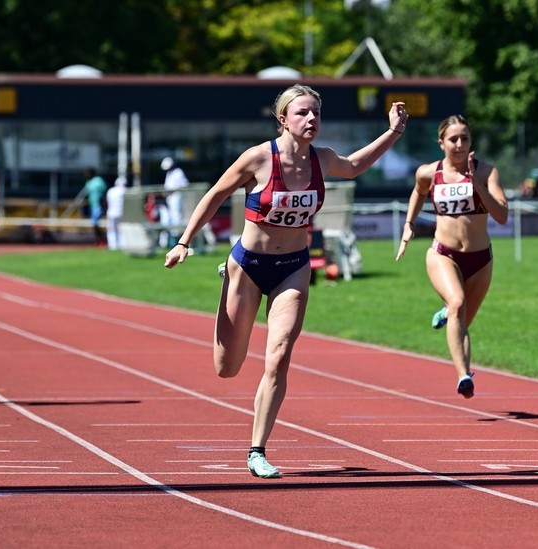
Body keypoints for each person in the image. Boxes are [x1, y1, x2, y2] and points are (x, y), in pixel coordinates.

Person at [165, 84, 408, 478]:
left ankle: (257, 450)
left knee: (278, 355)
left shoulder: (322, 159)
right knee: (227, 367)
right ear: (283, 120)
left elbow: (354, 165)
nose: (311, 119)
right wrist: (183, 242)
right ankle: (223, 275)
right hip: (247, 266)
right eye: (302, 113)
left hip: (293, 267)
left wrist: (394, 131)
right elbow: (214, 195)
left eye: (316, 113)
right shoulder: (259, 158)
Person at [396, 114, 507, 399]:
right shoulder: (428, 173)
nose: (459, 144)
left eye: (465, 138)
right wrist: (409, 225)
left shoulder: (486, 172)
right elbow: (417, 192)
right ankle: (463, 376)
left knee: (462, 324)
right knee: (458, 303)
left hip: (481, 258)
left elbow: (502, 216)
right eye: (453, 139)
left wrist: (477, 185)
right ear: (441, 143)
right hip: (443, 254)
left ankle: (448, 315)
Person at [159, 156, 190, 247]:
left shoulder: (178, 172)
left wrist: (174, 190)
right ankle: (169, 240)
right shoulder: (169, 173)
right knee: (169, 218)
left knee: (176, 217)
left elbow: (184, 184)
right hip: (169, 198)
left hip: (176, 196)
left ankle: (176, 239)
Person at [83, 167, 108, 246]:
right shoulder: (88, 182)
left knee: (96, 224)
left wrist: (104, 203)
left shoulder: (98, 180)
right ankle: (99, 240)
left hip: (99, 205)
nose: (86, 175)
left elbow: (104, 191)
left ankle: (103, 239)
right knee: (94, 224)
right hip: (92, 206)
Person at [106, 176, 128, 250]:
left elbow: (108, 201)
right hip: (122, 213)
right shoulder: (125, 191)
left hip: (111, 212)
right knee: (122, 230)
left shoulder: (111, 191)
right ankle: (122, 244)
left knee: (112, 229)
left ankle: (112, 245)